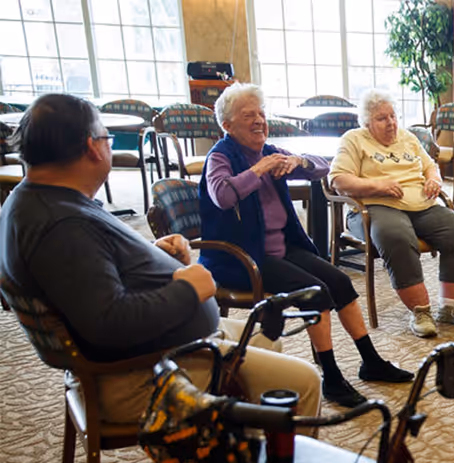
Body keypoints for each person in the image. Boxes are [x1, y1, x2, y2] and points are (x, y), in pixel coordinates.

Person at [0, 93, 321, 423]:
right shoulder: (62, 225)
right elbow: (108, 324)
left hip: (161, 349)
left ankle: (237, 451)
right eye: (106, 139)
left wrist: (151, 257)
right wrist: (190, 289)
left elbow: (86, 278)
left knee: (267, 338)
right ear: (92, 147)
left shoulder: (38, 200)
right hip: (138, 375)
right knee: (304, 382)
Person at [199, 83, 413, 408]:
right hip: (244, 258)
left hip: (281, 247)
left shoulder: (269, 150)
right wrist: (260, 170)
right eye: (248, 115)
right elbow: (223, 195)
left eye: (261, 113)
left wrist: (298, 161)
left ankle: (370, 361)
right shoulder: (220, 156)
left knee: (340, 282)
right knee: (316, 291)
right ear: (227, 125)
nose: (259, 120)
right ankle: (331, 378)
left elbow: (323, 169)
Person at [328, 89, 454, 339]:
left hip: (421, 205)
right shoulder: (354, 140)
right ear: (367, 122)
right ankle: (420, 311)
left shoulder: (407, 138)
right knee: (397, 236)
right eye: (381, 119)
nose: (391, 123)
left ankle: (452, 307)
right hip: (375, 207)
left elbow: (431, 166)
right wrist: (378, 185)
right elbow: (337, 179)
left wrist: (433, 181)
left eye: (393, 116)